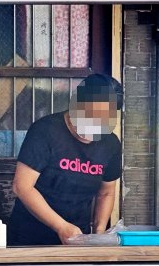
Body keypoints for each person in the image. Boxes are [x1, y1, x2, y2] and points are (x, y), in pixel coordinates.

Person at [7, 73, 122, 246]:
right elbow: (22, 186)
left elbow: (106, 192)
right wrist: (60, 226)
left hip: (77, 239)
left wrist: (98, 234)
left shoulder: (111, 144)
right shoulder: (45, 131)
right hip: (29, 237)